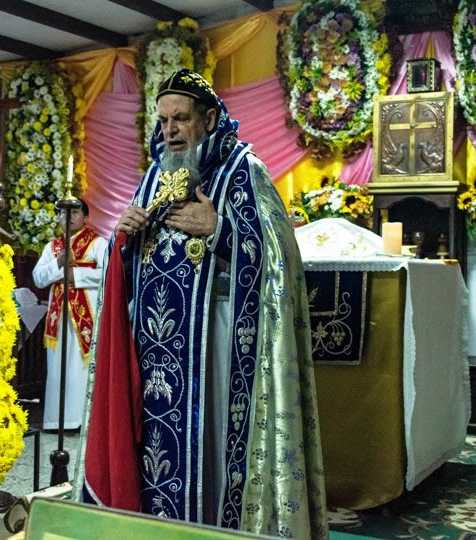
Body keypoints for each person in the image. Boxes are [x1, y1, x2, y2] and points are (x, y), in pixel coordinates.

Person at [77, 69, 327, 538]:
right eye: (163, 120)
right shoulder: (154, 176)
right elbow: (128, 262)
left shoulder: (243, 171)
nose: (169, 130)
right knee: (153, 456)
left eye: (181, 118)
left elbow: (281, 259)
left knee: (211, 456)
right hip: (155, 356)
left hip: (218, 350)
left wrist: (221, 231)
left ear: (210, 119)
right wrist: (122, 241)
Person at [32, 199, 106, 431]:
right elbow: (38, 278)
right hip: (58, 319)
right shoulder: (52, 247)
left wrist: (77, 275)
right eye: (64, 213)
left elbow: (109, 274)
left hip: (86, 316)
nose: (69, 217)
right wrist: (58, 264)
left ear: (85, 217)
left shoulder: (98, 243)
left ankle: (83, 421)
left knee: (81, 367)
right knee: (58, 368)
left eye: (74, 212)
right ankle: (57, 420)